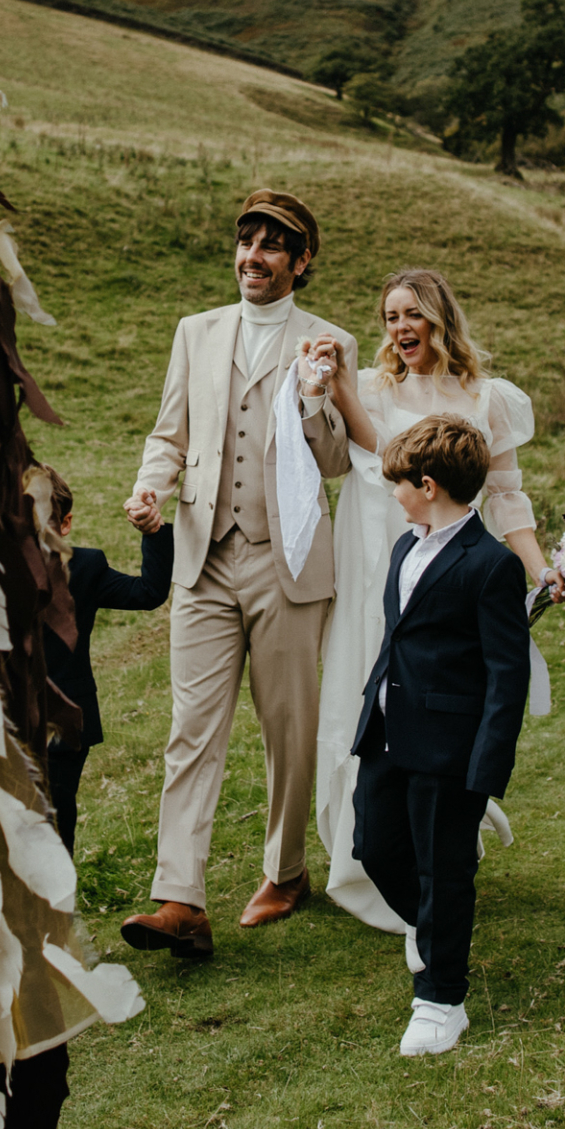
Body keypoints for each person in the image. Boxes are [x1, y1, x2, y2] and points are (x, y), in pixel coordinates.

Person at [121, 189, 359, 960]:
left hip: (288, 560)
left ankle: (286, 871)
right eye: (245, 242)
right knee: (190, 728)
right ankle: (180, 898)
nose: (252, 257)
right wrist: (151, 488)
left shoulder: (330, 340)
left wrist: (318, 397)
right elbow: (169, 433)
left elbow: (337, 459)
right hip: (203, 556)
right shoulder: (196, 331)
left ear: (300, 261)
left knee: (288, 727)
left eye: (270, 246)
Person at [309, 269, 543, 934]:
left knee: (447, 690)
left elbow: (507, 495)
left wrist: (542, 571)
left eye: (412, 314)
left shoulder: (488, 397)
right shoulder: (375, 388)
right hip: (378, 550)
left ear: (439, 318)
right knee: (373, 685)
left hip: (455, 562)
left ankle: (445, 832)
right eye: (390, 317)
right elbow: (383, 457)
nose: (400, 328)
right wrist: (340, 386)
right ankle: (373, 849)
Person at [347, 415, 532, 1056]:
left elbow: (507, 677)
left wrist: (484, 772)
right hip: (387, 732)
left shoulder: (491, 565)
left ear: (427, 485)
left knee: (443, 872)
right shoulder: (406, 546)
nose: (393, 493)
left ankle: (441, 1000)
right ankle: (433, 925)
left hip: (449, 750)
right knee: (373, 847)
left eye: (398, 483)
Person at [38, 468, 173, 856]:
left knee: (55, 818)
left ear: (65, 524)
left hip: (63, 724)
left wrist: (153, 532)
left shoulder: (85, 568)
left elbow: (147, 592)